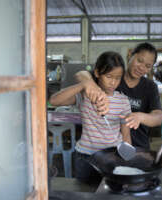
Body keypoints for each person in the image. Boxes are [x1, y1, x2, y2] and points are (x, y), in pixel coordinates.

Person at [49, 51, 132, 183]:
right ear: (98, 73)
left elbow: (126, 134)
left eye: (118, 78)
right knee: (85, 193)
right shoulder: (84, 95)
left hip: (113, 156)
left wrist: (127, 160)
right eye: (109, 76)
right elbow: (54, 101)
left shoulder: (123, 101)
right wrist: (84, 85)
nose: (113, 83)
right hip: (86, 157)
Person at [75, 42, 162, 149]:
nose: (142, 68)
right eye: (139, 61)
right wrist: (91, 84)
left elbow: (158, 117)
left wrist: (140, 116)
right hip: (110, 148)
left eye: (148, 66)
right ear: (130, 56)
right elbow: (81, 74)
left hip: (139, 145)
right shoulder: (113, 77)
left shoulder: (150, 87)